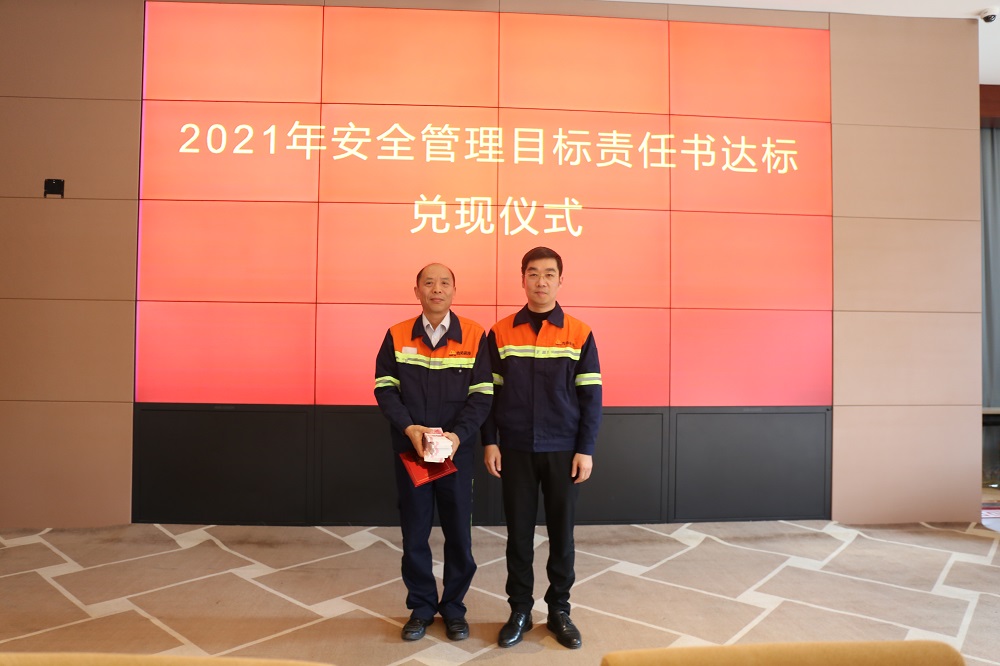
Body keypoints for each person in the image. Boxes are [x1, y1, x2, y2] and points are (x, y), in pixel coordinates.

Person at [481, 246, 602, 650]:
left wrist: (585, 448)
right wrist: (490, 441)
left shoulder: (579, 333)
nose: (541, 281)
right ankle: (519, 610)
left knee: (561, 535)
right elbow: (488, 395)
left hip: (563, 450)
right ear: (523, 280)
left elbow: (591, 397)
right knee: (518, 535)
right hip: (515, 448)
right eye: (533, 274)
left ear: (560, 280)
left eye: (549, 274)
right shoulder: (500, 332)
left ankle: (559, 611)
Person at [374, 263, 493, 642]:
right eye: (429, 283)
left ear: (454, 290)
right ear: (417, 291)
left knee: (459, 535)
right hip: (412, 454)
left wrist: (458, 436)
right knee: (415, 534)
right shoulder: (396, 335)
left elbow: (482, 394)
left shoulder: (474, 335)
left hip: (456, 455)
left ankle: (454, 608)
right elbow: (384, 387)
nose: (436, 289)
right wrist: (409, 429)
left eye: (444, 283)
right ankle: (422, 608)